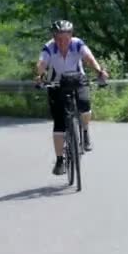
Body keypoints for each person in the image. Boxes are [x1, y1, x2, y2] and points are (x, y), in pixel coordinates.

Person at [35, 20, 109, 175]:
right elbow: (42, 63)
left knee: (85, 107)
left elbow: (89, 58)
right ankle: (60, 160)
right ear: (54, 37)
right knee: (59, 123)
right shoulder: (49, 47)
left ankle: (85, 131)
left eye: (66, 38)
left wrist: (99, 71)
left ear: (71, 36)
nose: (63, 42)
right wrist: (40, 76)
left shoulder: (77, 44)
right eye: (59, 38)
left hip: (77, 80)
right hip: (57, 84)